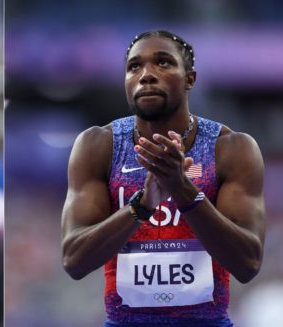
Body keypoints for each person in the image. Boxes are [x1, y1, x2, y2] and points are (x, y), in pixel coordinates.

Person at [61, 30, 265, 327]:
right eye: (134, 67)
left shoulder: (231, 148)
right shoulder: (98, 145)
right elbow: (74, 261)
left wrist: (181, 189)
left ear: (190, 79)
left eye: (163, 63)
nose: (146, 75)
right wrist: (141, 206)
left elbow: (247, 264)